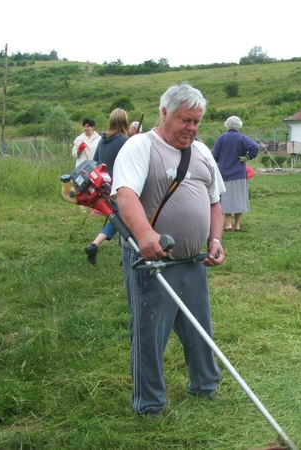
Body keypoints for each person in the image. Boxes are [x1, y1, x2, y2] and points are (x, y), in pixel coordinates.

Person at [111, 84, 226, 417]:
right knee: (150, 334)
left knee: (199, 329)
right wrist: (145, 234)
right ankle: (150, 404)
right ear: (164, 113)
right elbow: (125, 195)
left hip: (195, 261)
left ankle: (205, 385)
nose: (191, 128)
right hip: (153, 264)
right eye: (184, 120)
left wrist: (215, 240)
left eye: (196, 121)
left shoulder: (202, 151)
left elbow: (216, 200)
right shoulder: (140, 147)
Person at [84, 109, 130, 265]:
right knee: (122, 219)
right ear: (124, 122)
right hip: (120, 186)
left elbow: (95, 162)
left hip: (103, 187)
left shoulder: (102, 140)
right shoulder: (125, 141)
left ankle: (95, 245)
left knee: (119, 218)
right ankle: (122, 253)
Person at [211, 116, 259, 232]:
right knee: (239, 198)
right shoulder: (242, 138)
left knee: (226, 199)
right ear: (239, 125)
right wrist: (247, 157)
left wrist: (221, 159)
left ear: (227, 125)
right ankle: (237, 225)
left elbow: (214, 155)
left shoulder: (221, 138)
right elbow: (255, 147)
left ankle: (228, 224)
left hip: (224, 174)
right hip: (239, 173)